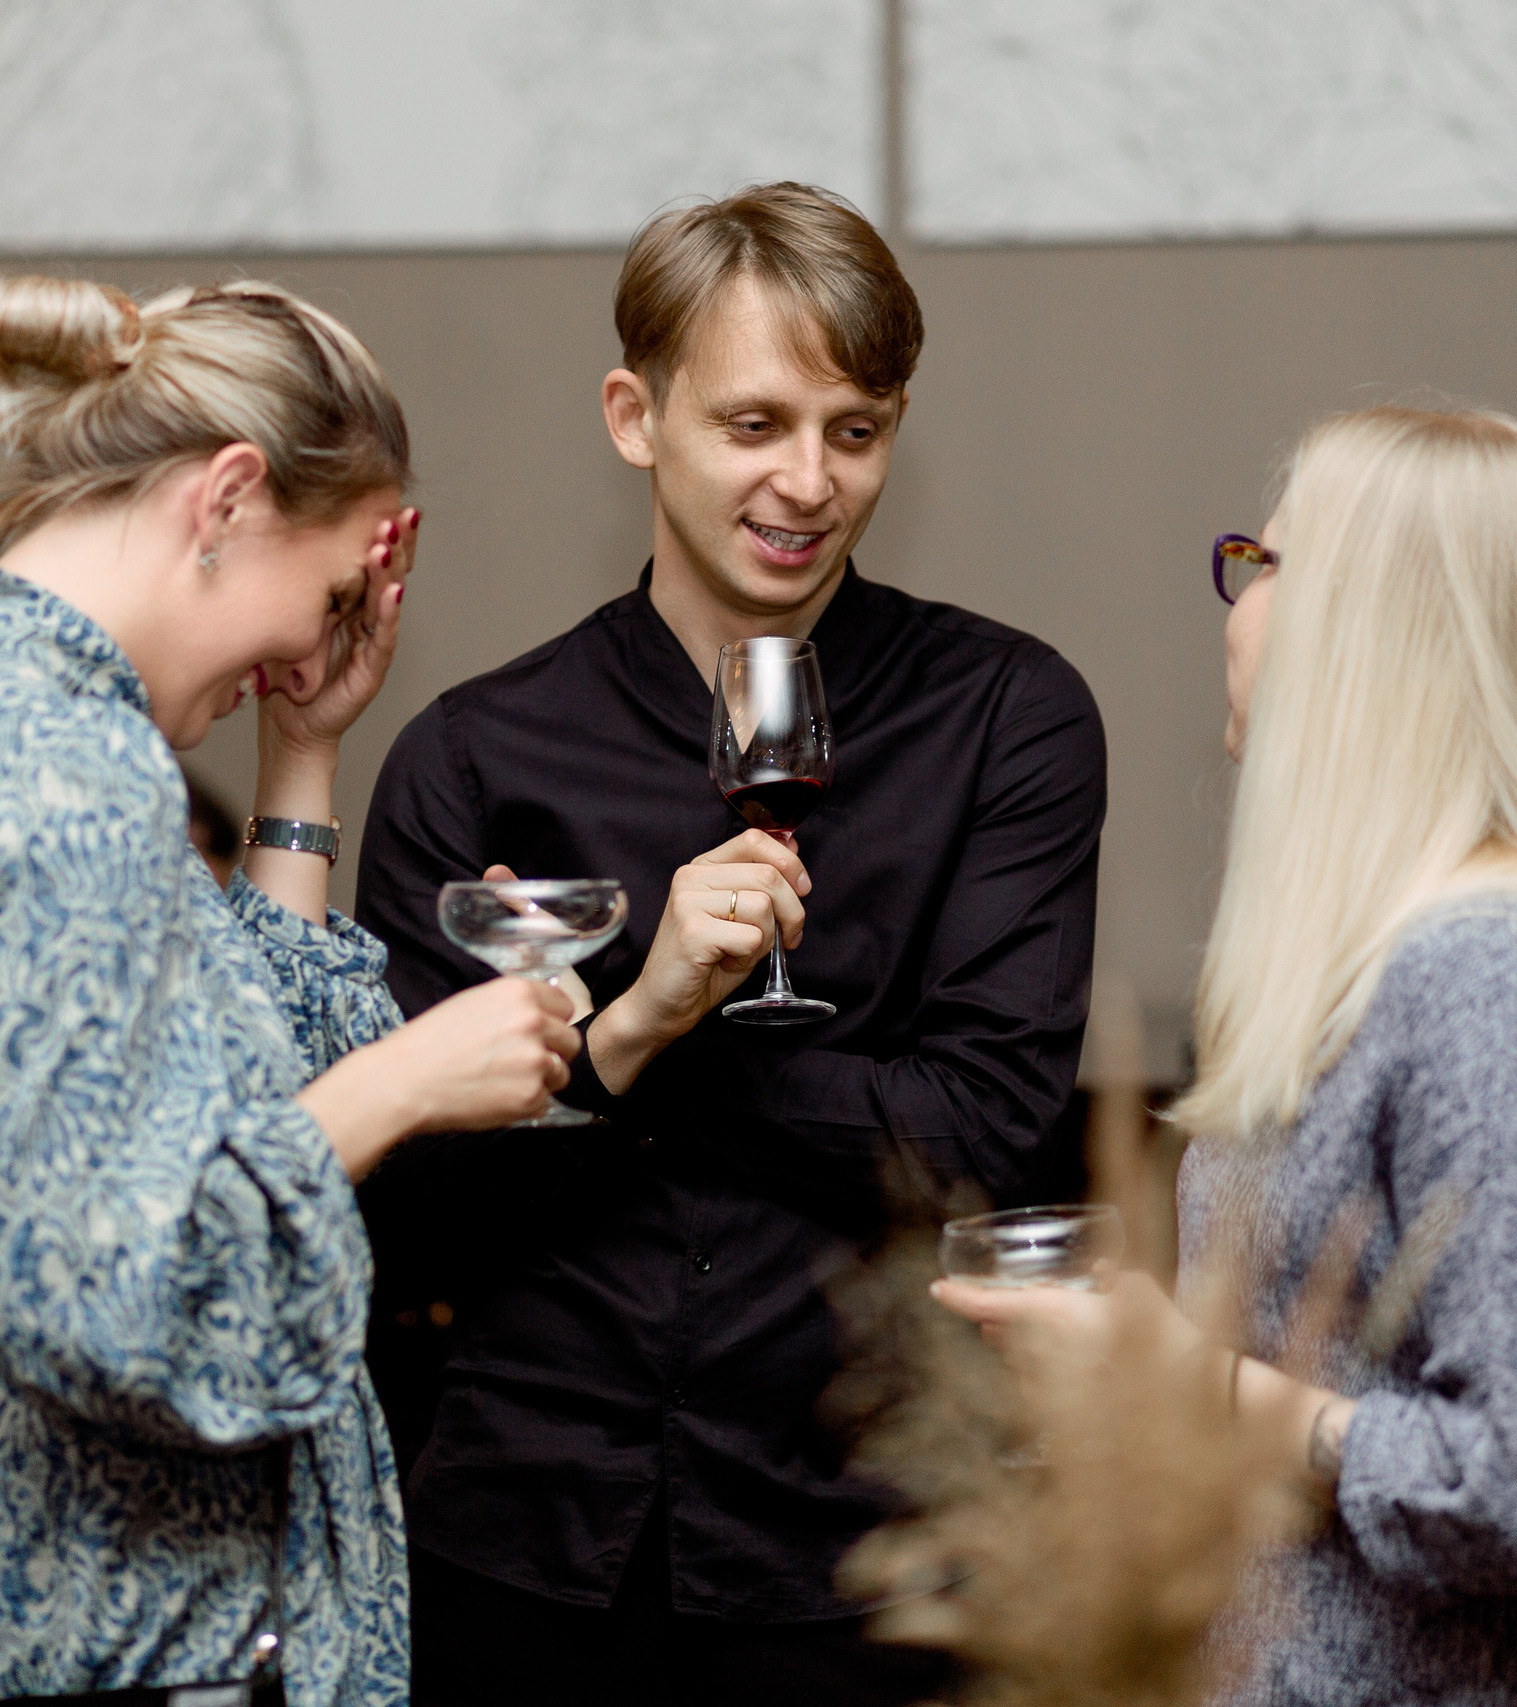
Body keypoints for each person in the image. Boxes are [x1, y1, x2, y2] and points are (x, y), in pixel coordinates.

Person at [0, 276, 581, 1707]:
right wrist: (405, 1084)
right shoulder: (60, 787)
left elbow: (200, 1083)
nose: (314, 641)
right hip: (132, 1646)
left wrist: (304, 753)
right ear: (227, 497)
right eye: (328, 590)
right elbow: (122, 1296)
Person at [353, 183, 1107, 1706]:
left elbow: (988, 1137)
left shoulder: (1004, 720)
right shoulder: (479, 754)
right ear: (637, 417)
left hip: (872, 1544)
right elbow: (406, 1211)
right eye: (754, 424)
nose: (809, 481)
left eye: (856, 428)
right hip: (526, 1541)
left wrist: (626, 1054)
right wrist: (643, 1014)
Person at [939, 405, 1517, 1704]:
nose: (1235, 606)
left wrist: (1185, 1386)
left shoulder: (1494, 977)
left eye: (1269, 564)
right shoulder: (1394, 964)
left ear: (1385, 637)